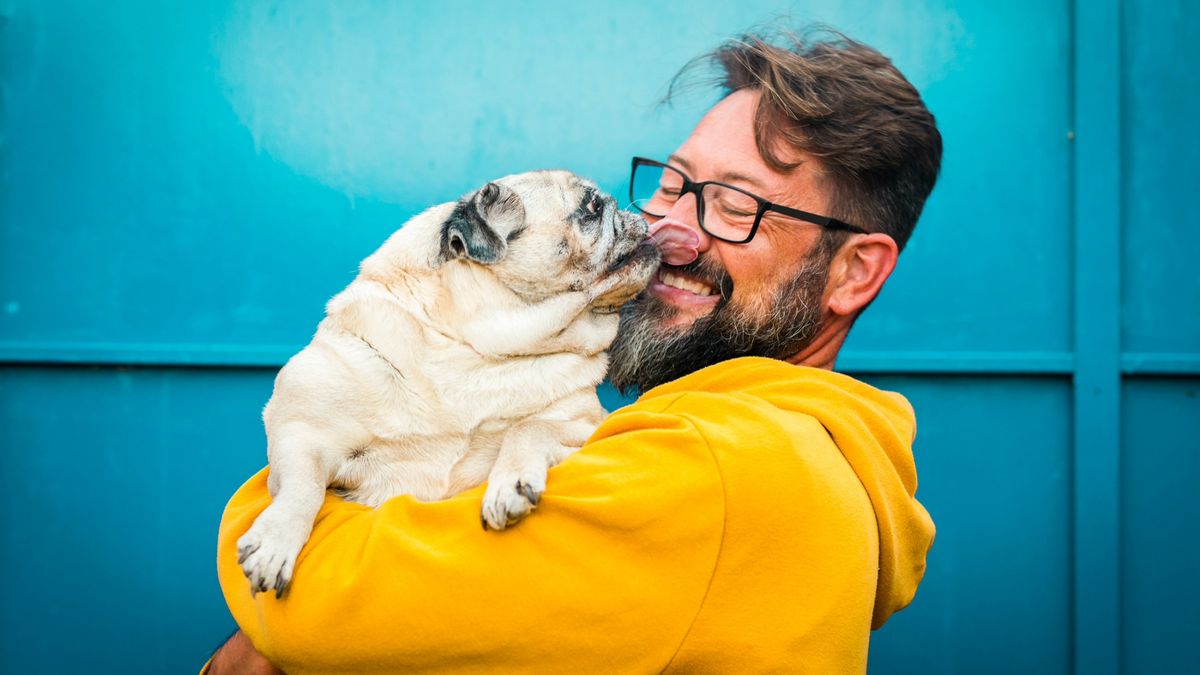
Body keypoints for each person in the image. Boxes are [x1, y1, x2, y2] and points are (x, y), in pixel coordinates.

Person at [206, 27, 941, 674]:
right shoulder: (779, 440)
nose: (664, 231)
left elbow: (326, 605)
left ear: (855, 272)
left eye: (734, 204)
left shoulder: (718, 468)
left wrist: (281, 487)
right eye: (672, 183)